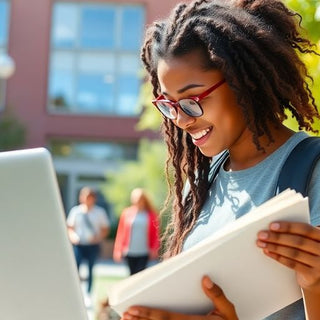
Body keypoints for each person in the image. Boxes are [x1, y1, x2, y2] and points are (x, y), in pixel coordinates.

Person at [121, 0, 320, 319]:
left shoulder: (313, 169)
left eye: (191, 101)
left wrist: (315, 286)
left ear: (242, 82)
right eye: (170, 105)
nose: (181, 121)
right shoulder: (202, 184)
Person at [67, 187, 110, 294]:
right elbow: (70, 228)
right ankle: (75, 291)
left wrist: (97, 238)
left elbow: (105, 229)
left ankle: (88, 292)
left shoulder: (99, 212)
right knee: (76, 269)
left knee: (91, 269)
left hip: (92, 245)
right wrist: (73, 237)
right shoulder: (76, 211)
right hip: (79, 245)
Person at [113, 188, 160, 275]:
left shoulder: (151, 215)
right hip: (129, 251)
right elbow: (120, 233)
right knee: (132, 275)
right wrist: (118, 249)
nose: (137, 201)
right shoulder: (126, 213)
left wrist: (155, 248)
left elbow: (156, 234)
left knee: (140, 274)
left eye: (139, 198)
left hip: (144, 251)